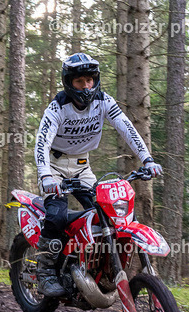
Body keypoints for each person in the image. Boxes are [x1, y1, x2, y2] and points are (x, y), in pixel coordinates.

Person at [33, 52, 162, 297]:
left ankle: (97, 267)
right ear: (69, 82)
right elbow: (42, 141)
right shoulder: (58, 107)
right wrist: (45, 176)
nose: (86, 86)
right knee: (57, 215)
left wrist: (147, 159)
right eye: (79, 81)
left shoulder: (104, 101)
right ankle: (45, 271)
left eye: (90, 80)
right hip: (54, 167)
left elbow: (127, 128)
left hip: (82, 167)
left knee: (106, 213)